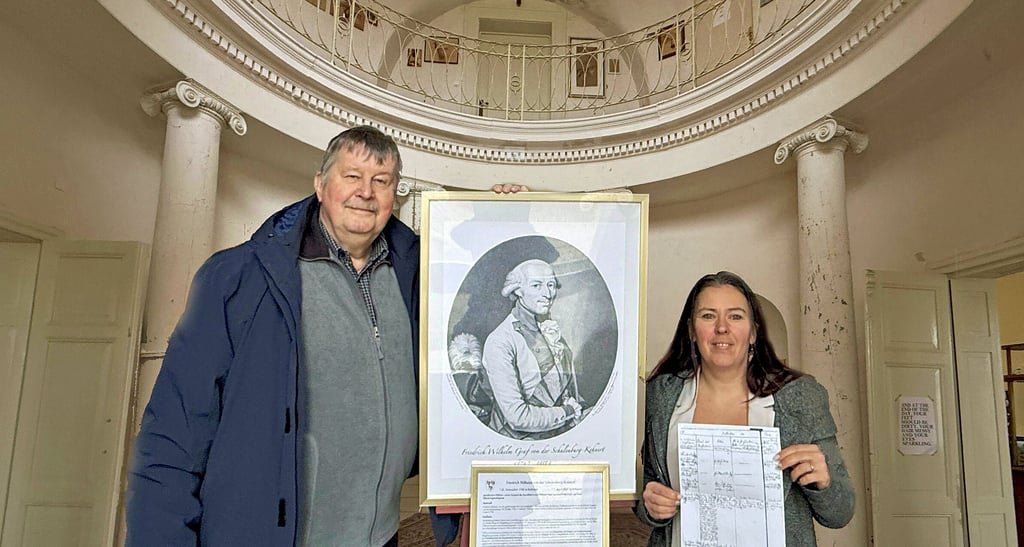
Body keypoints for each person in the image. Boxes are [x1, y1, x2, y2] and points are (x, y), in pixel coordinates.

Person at [127, 126, 518, 546]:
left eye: (381, 181)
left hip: (379, 535)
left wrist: (503, 220)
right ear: (320, 184)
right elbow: (173, 435)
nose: (365, 192)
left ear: (394, 196)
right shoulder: (238, 278)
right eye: (352, 176)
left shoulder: (416, 277)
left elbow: (488, 297)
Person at [635, 271, 854, 547]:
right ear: (692, 330)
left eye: (735, 316)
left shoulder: (800, 397)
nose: (722, 327)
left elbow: (840, 513)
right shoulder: (660, 395)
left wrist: (823, 483)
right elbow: (646, 489)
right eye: (708, 316)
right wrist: (651, 506)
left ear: (753, 332)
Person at [480, 259, 583, 440]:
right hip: (515, 442)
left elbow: (567, 391)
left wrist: (579, 409)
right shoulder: (500, 341)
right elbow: (517, 417)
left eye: (551, 285)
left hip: (560, 436)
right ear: (518, 290)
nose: (547, 294)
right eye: (536, 285)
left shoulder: (550, 329)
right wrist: (567, 412)